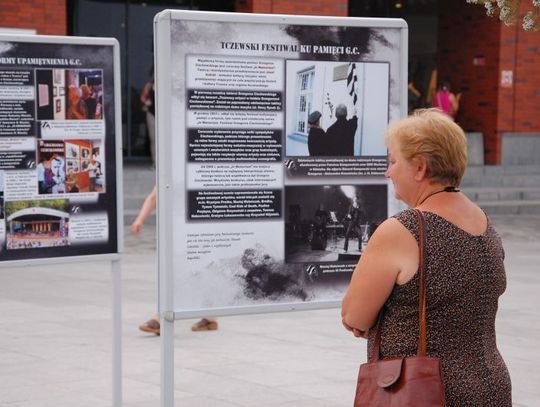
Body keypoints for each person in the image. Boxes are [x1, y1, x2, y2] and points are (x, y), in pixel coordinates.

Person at [341, 109, 511, 405]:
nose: (388, 172)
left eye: (393, 161)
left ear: (420, 168)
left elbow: (354, 316)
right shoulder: (483, 221)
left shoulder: (402, 230)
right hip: (490, 387)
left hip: (425, 392)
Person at [133, 186, 219, 335]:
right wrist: (140, 219)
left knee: (195, 273)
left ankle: (161, 319)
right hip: (177, 232)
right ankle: (209, 317)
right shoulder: (168, 175)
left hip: (198, 232)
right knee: (182, 274)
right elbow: (153, 197)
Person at [140, 67, 156, 166]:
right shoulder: (149, 85)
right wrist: (146, 102)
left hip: (164, 115)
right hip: (151, 114)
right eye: (154, 73)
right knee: (153, 139)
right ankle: (155, 162)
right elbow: (142, 97)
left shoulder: (166, 84)